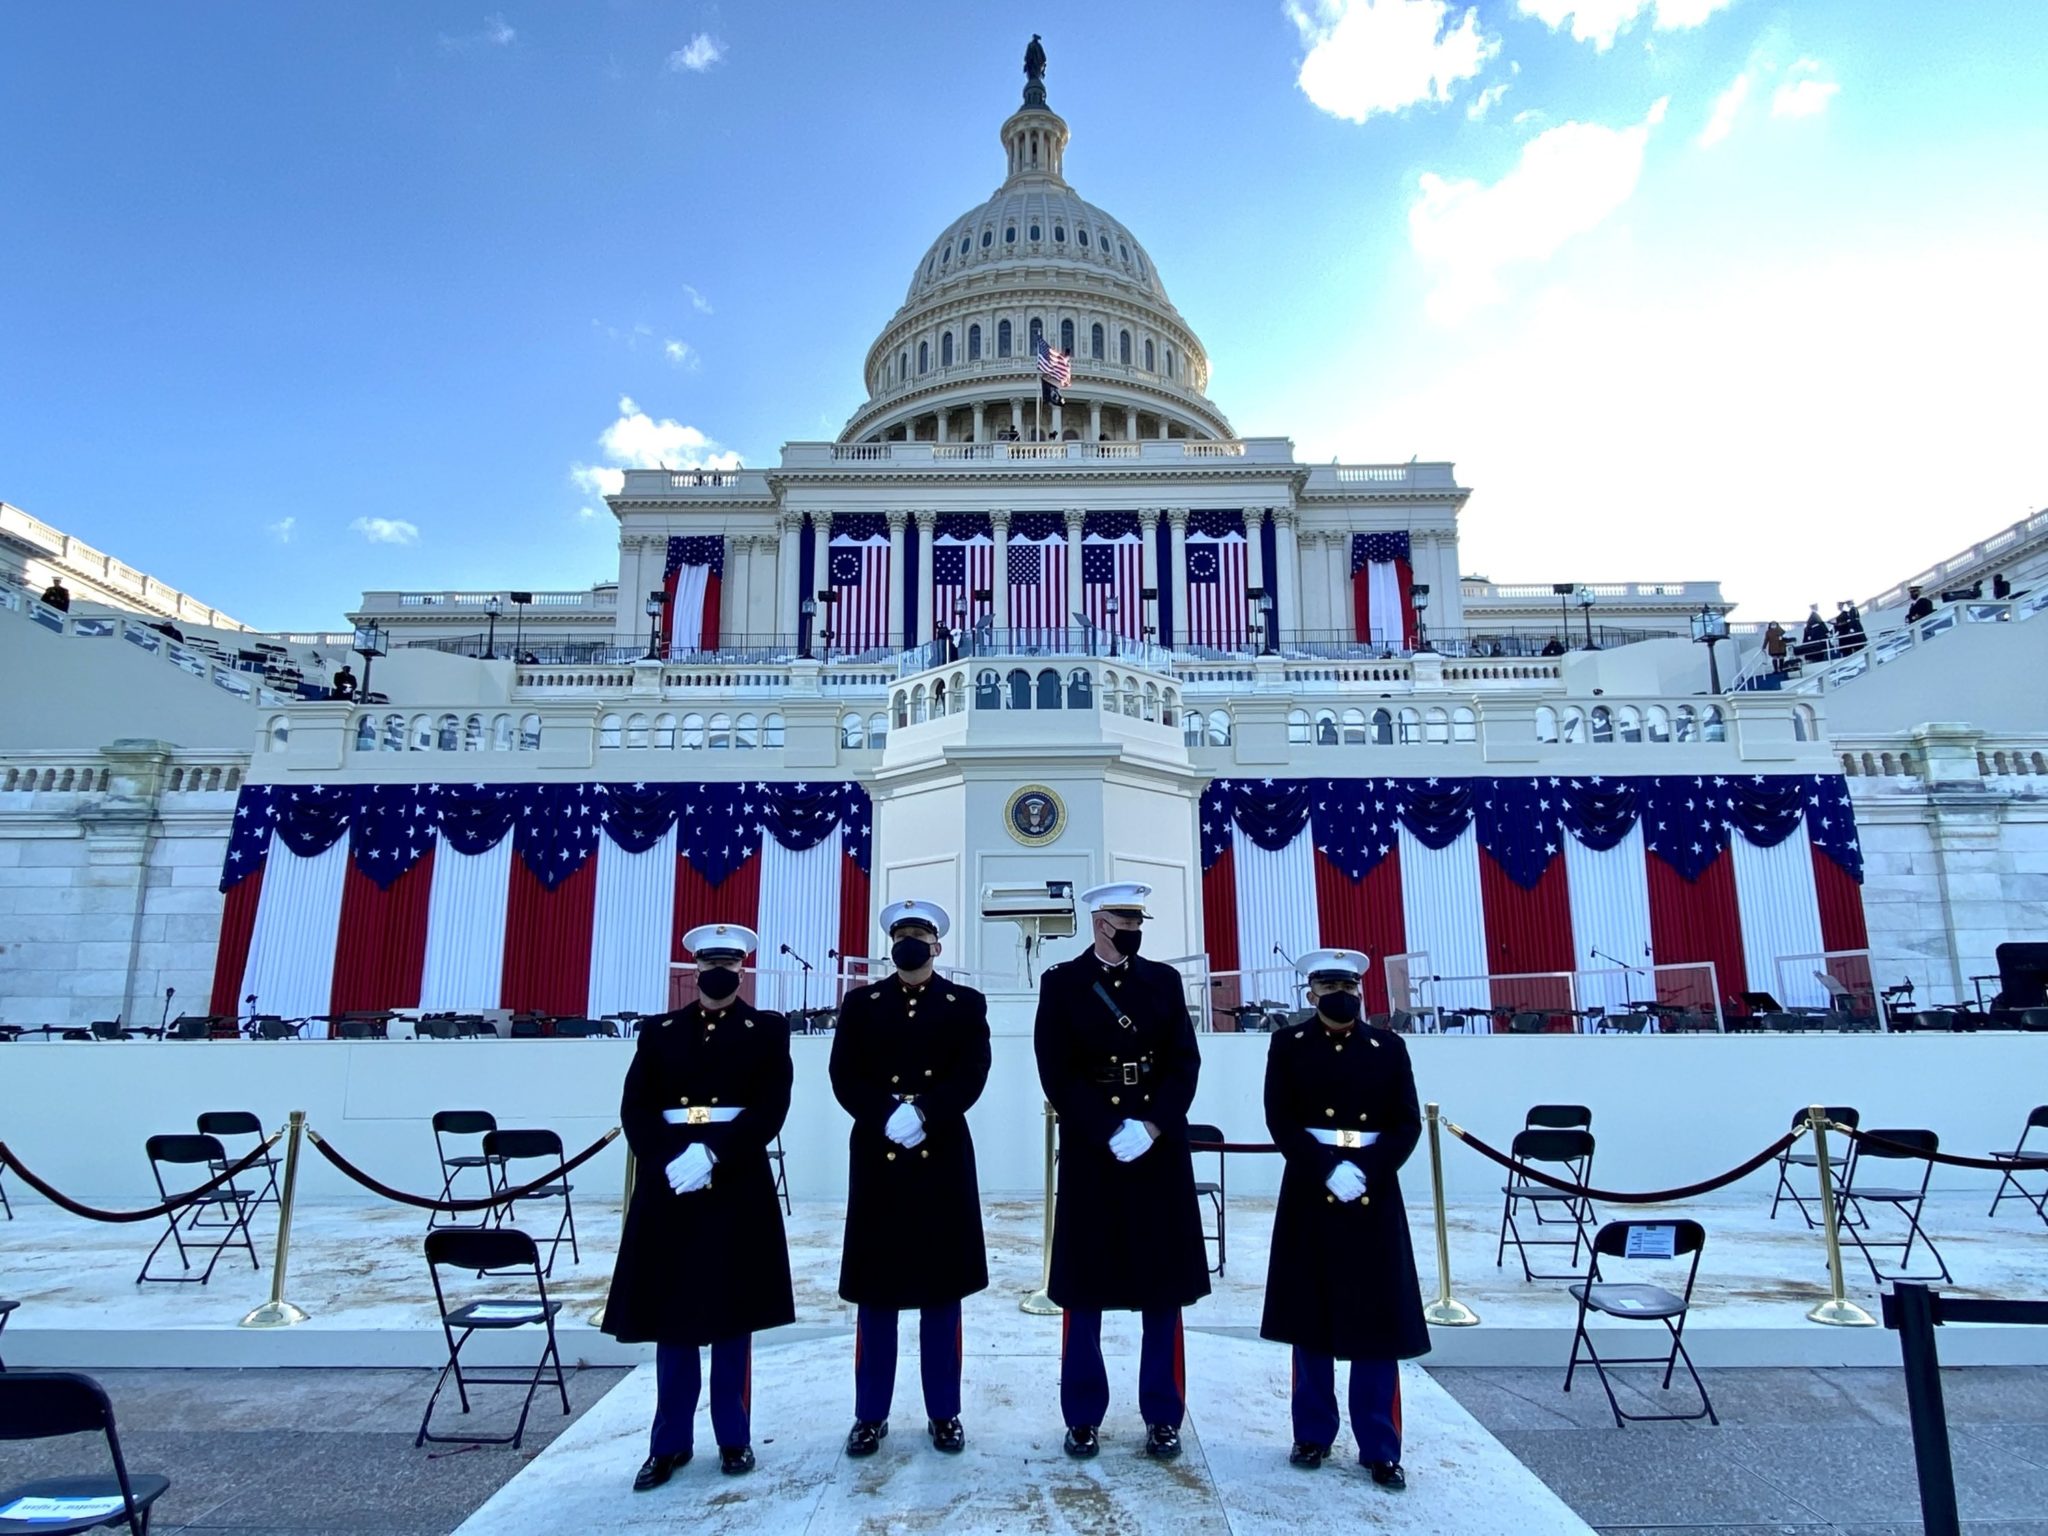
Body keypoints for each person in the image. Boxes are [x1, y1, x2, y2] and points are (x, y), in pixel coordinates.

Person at [602, 923, 794, 1489]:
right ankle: (669, 1443)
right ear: (694, 971)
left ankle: (734, 1436)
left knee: (734, 1313)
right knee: (673, 1317)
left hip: (734, 1180)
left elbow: (769, 1109)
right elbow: (635, 1108)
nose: (719, 974)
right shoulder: (659, 1032)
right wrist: (670, 1159)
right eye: (710, 964)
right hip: (672, 1186)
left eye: (729, 966)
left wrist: (712, 1155)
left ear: (741, 971)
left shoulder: (766, 1030)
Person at [1034, 881, 1209, 1461]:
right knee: (1084, 1291)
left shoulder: (1163, 980)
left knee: (1162, 1288)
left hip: (1156, 1149)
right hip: (1093, 1148)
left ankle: (1163, 1414)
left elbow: (1184, 1063)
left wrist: (1153, 1125)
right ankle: (1082, 1415)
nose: (1134, 926)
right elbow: (1056, 1071)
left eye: (1138, 917)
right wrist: (1106, 1128)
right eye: (1123, 917)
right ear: (1099, 922)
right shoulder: (1062, 983)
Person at [1261, 948, 1427, 1490]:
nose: (1341, 994)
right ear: (1311, 993)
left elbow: (1406, 1123)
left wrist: (1369, 1170)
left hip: (1372, 1194)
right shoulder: (1289, 1044)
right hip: (1313, 1188)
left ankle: (1380, 1445)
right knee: (1310, 1316)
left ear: (1361, 990)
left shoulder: (1388, 1047)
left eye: (1350, 985)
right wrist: (1326, 1169)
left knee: (1377, 1323)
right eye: (1329, 985)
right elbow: (1281, 1119)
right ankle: (1312, 1432)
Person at [832, 899, 991, 1458]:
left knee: (941, 1292)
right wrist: (885, 1114)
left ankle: (943, 1411)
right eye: (902, 935)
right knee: (876, 1294)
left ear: (937, 946)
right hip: (880, 1155)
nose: (911, 943)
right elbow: (843, 1075)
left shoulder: (964, 1003)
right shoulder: (861, 1004)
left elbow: (973, 1074)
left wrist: (924, 1111)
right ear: (891, 944)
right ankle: (869, 1414)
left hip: (940, 1152)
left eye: (920, 935)